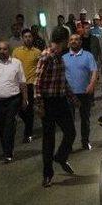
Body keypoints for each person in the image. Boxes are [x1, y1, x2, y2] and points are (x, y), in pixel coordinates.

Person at [34, 27, 75, 188]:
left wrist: (72, 98)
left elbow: (62, 81)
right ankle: (47, 174)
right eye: (67, 40)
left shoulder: (59, 57)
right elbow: (37, 82)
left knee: (71, 132)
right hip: (48, 103)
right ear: (64, 40)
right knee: (48, 140)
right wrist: (39, 105)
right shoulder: (46, 56)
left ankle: (60, 156)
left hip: (61, 101)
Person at [63, 34, 98, 150]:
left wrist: (91, 84)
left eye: (76, 39)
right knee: (69, 121)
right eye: (71, 40)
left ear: (81, 42)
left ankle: (85, 141)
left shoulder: (88, 56)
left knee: (85, 119)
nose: (74, 41)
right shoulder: (64, 58)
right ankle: (69, 144)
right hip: (69, 94)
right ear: (68, 42)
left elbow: (94, 71)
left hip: (84, 92)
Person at [12, 29, 42, 143]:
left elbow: (41, 68)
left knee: (29, 109)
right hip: (19, 84)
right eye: (25, 36)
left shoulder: (37, 52)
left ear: (32, 38)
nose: (28, 38)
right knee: (18, 108)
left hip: (30, 84)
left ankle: (28, 134)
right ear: (22, 38)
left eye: (29, 36)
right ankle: (28, 122)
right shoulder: (16, 52)